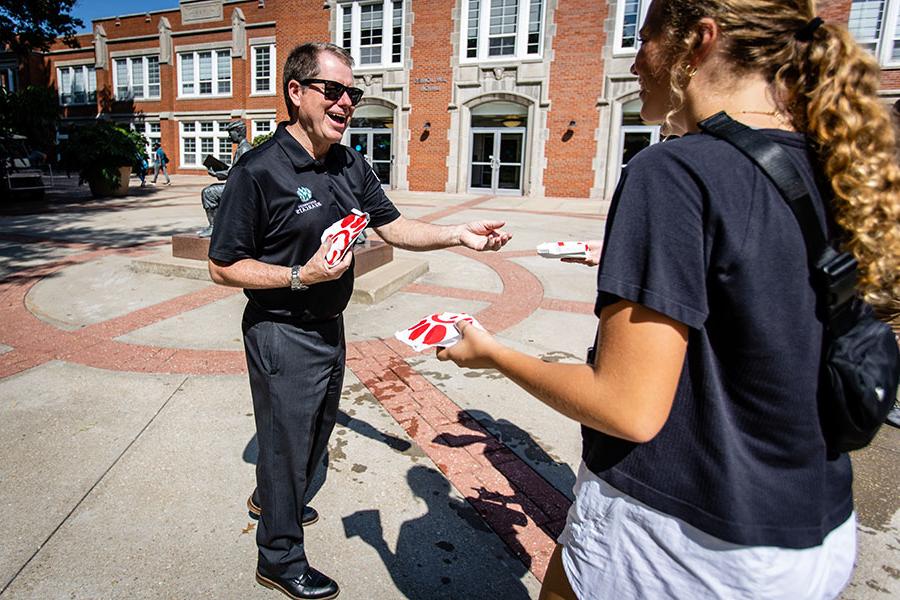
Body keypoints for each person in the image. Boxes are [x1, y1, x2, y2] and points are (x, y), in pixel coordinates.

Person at [438, 1, 900, 599]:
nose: (634, 61)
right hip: (810, 533)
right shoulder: (831, 160)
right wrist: (628, 259)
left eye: (646, 38)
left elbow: (626, 407)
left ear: (697, 44)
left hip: (682, 536)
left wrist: (494, 354)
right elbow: (765, 285)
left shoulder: (673, 170)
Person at [207, 42, 511, 600]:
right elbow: (222, 266)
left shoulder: (349, 161)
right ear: (296, 93)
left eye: (355, 93)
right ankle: (279, 556)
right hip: (281, 330)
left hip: (329, 324)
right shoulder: (259, 170)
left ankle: (272, 499)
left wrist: (458, 235)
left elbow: (393, 228)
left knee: (313, 438)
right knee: (286, 445)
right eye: (335, 90)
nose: (347, 102)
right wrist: (302, 275)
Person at [198, 120, 254, 237]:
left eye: (231, 132)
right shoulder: (242, 148)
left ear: (238, 132)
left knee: (208, 193)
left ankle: (214, 227)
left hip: (240, 189)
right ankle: (218, 225)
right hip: (238, 185)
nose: (229, 135)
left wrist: (216, 173)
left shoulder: (244, 149)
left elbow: (235, 172)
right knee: (212, 189)